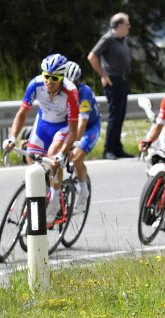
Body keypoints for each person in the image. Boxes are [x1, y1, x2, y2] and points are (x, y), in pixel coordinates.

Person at [2, 53, 79, 225]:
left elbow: (73, 131)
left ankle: (54, 204)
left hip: (62, 127)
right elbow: (22, 113)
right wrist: (12, 137)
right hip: (43, 124)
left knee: (52, 158)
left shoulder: (71, 92)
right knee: (31, 158)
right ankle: (40, 191)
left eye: (54, 78)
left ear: (62, 78)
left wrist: (62, 154)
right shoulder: (36, 84)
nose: (49, 81)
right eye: (47, 76)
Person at [87, 12, 133, 160]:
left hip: (122, 80)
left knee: (120, 115)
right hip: (112, 81)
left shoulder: (121, 39)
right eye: (127, 24)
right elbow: (92, 56)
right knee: (114, 115)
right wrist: (103, 75)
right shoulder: (108, 38)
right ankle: (108, 150)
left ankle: (117, 148)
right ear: (119, 25)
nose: (129, 27)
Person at [62, 61, 100, 213]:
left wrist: (73, 143)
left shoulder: (85, 93)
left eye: (74, 84)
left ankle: (83, 190)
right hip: (71, 125)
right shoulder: (60, 91)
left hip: (89, 127)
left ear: (78, 81)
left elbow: (82, 124)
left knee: (76, 156)